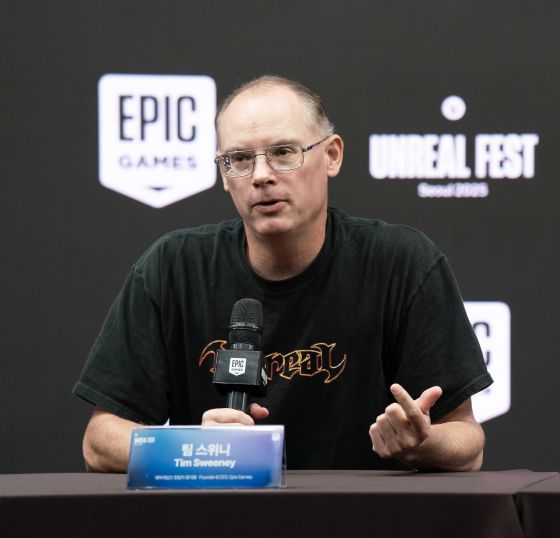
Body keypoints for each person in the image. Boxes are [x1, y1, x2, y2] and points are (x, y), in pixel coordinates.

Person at [73, 75, 492, 473]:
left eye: (284, 152)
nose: (261, 175)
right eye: (240, 159)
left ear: (331, 155)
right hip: (220, 513)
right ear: (224, 175)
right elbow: (99, 442)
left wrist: (421, 443)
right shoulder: (173, 267)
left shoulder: (401, 262)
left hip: (360, 514)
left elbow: (467, 442)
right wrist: (193, 447)